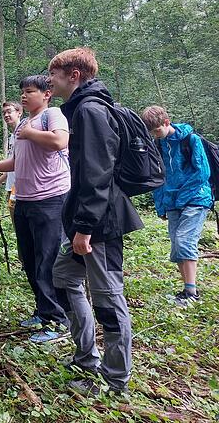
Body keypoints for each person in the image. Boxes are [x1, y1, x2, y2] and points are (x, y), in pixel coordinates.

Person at [47, 47, 143, 396]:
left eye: (54, 73)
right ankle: (86, 356)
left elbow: (97, 173)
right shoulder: (83, 109)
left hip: (100, 222)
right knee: (63, 276)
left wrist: (85, 227)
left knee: (107, 298)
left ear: (74, 75)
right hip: (87, 219)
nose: (49, 79)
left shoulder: (89, 111)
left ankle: (115, 381)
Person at [0, 75, 71, 343]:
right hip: (25, 199)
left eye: (30, 92)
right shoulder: (24, 123)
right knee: (29, 258)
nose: (25, 96)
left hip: (50, 199)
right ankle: (43, 310)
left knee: (47, 260)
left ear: (47, 94)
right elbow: (19, 160)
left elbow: (60, 142)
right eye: (23, 92)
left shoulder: (53, 115)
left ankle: (58, 321)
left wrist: (30, 133)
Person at [141, 105, 213, 306]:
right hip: (172, 202)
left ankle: (192, 293)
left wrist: (181, 197)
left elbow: (202, 173)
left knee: (184, 241)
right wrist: (162, 205)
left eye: (157, 130)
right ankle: (186, 291)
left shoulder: (191, 140)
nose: (156, 135)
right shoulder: (158, 145)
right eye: (152, 132)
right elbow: (158, 178)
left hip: (196, 199)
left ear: (166, 122)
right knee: (176, 244)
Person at [0, 101, 24, 220]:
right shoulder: (12, 137)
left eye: (9, 111)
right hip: (11, 189)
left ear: (19, 113)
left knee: (22, 226)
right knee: (17, 226)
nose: (6, 115)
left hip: (21, 189)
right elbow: (11, 166)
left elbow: (19, 164)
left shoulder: (24, 134)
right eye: (4, 113)